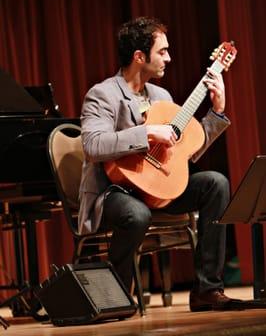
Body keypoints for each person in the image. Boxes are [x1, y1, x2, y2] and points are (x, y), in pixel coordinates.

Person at [78, 16, 237, 312]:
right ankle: (118, 297)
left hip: (156, 187)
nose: (169, 57)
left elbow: (186, 151)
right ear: (140, 57)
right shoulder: (103, 94)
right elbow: (92, 145)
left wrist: (217, 111)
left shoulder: (161, 97)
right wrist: (147, 132)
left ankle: (207, 289)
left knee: (215, 183)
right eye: (162, 51)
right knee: (136, 214)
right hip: (114, 191)